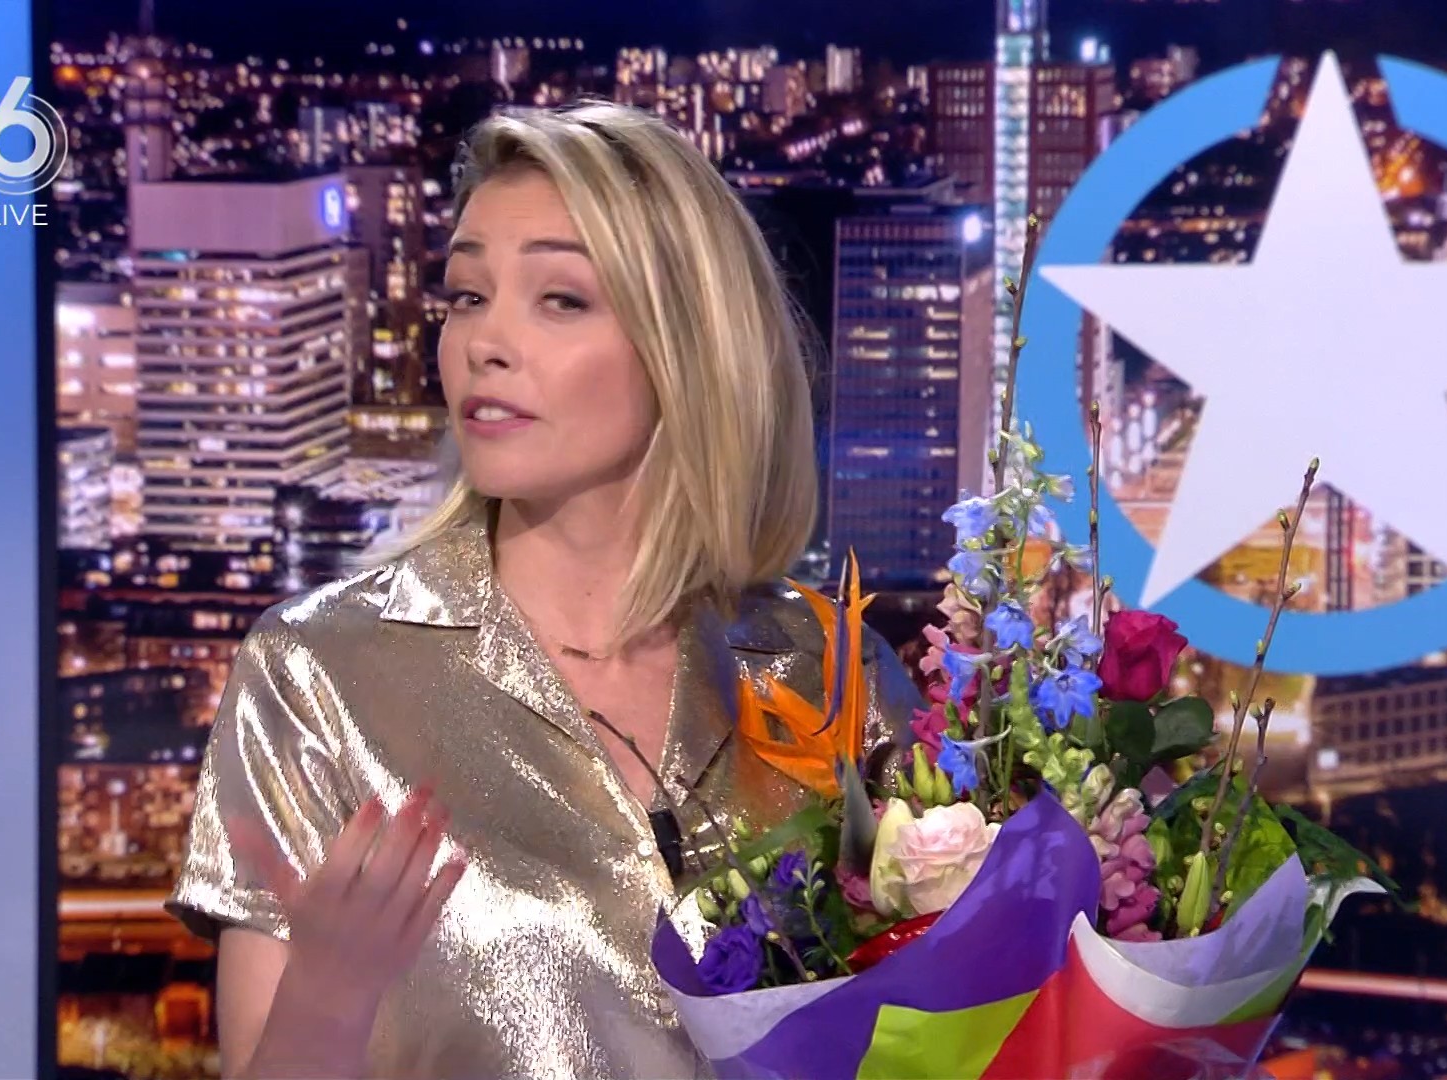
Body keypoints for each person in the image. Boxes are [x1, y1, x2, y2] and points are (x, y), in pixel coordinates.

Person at [167, 101, 921, 1080]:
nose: (485, 341)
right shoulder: (319, 674)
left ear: (688, 345)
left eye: (559, 299)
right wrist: (328, 997)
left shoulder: (831, 671)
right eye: (467, 295)